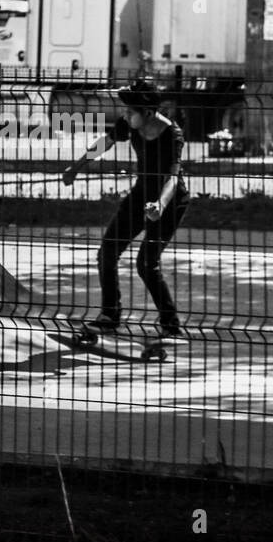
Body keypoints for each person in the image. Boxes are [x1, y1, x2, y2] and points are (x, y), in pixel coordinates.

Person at [61, 79, 190, 344]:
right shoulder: (129, 124)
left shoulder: (172, 134)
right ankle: (110, 316)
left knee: (146, 263)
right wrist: (76, 167)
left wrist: (160, 206)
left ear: (149, 113)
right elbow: (104, 142)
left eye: (131, 112)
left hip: (170, 201)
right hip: (141, 194)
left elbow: (173, 178)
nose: (125, 116)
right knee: (107, 252)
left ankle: (171, 326)